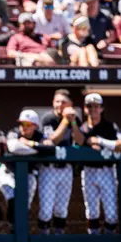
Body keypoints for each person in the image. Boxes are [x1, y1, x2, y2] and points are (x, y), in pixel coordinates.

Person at [0, 110, 54, 232]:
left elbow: (50, 149)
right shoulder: (14, 132)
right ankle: (12, 229)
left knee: (24, 206)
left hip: (28, 175)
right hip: (6, 173)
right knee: (13, 197)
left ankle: (19, 231)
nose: (23, 127)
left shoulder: (39, 136)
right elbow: (13, 147)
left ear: (35, 126)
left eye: (27, 124)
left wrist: (29, 143)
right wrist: (38, 149)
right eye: (22, 124)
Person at [39, 89, 84, 234]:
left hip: (66, 169)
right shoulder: (48, 118)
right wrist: (65, 121)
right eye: (57, 101)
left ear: (70, 104)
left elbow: (80, 140)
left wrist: (74, 122)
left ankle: (59, 237)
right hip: (49, 168)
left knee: (61, 208)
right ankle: (43, 237)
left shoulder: (75, 119)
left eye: (63, 102)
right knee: (46, 209)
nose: (59, 105)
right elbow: (52, 140)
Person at [80, 93, 120, 234]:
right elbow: (78, 142)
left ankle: (108, 239)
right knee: (91, 209)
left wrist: (99, 141)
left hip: (107, 170)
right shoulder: (82, 128)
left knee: (111, 212)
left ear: (101, 108)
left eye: (96, 106)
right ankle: (94, 240)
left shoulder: (109, 126)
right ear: (85, 109)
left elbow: (119, 145)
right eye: (89, 106)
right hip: (88, 170)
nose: (93, 109)